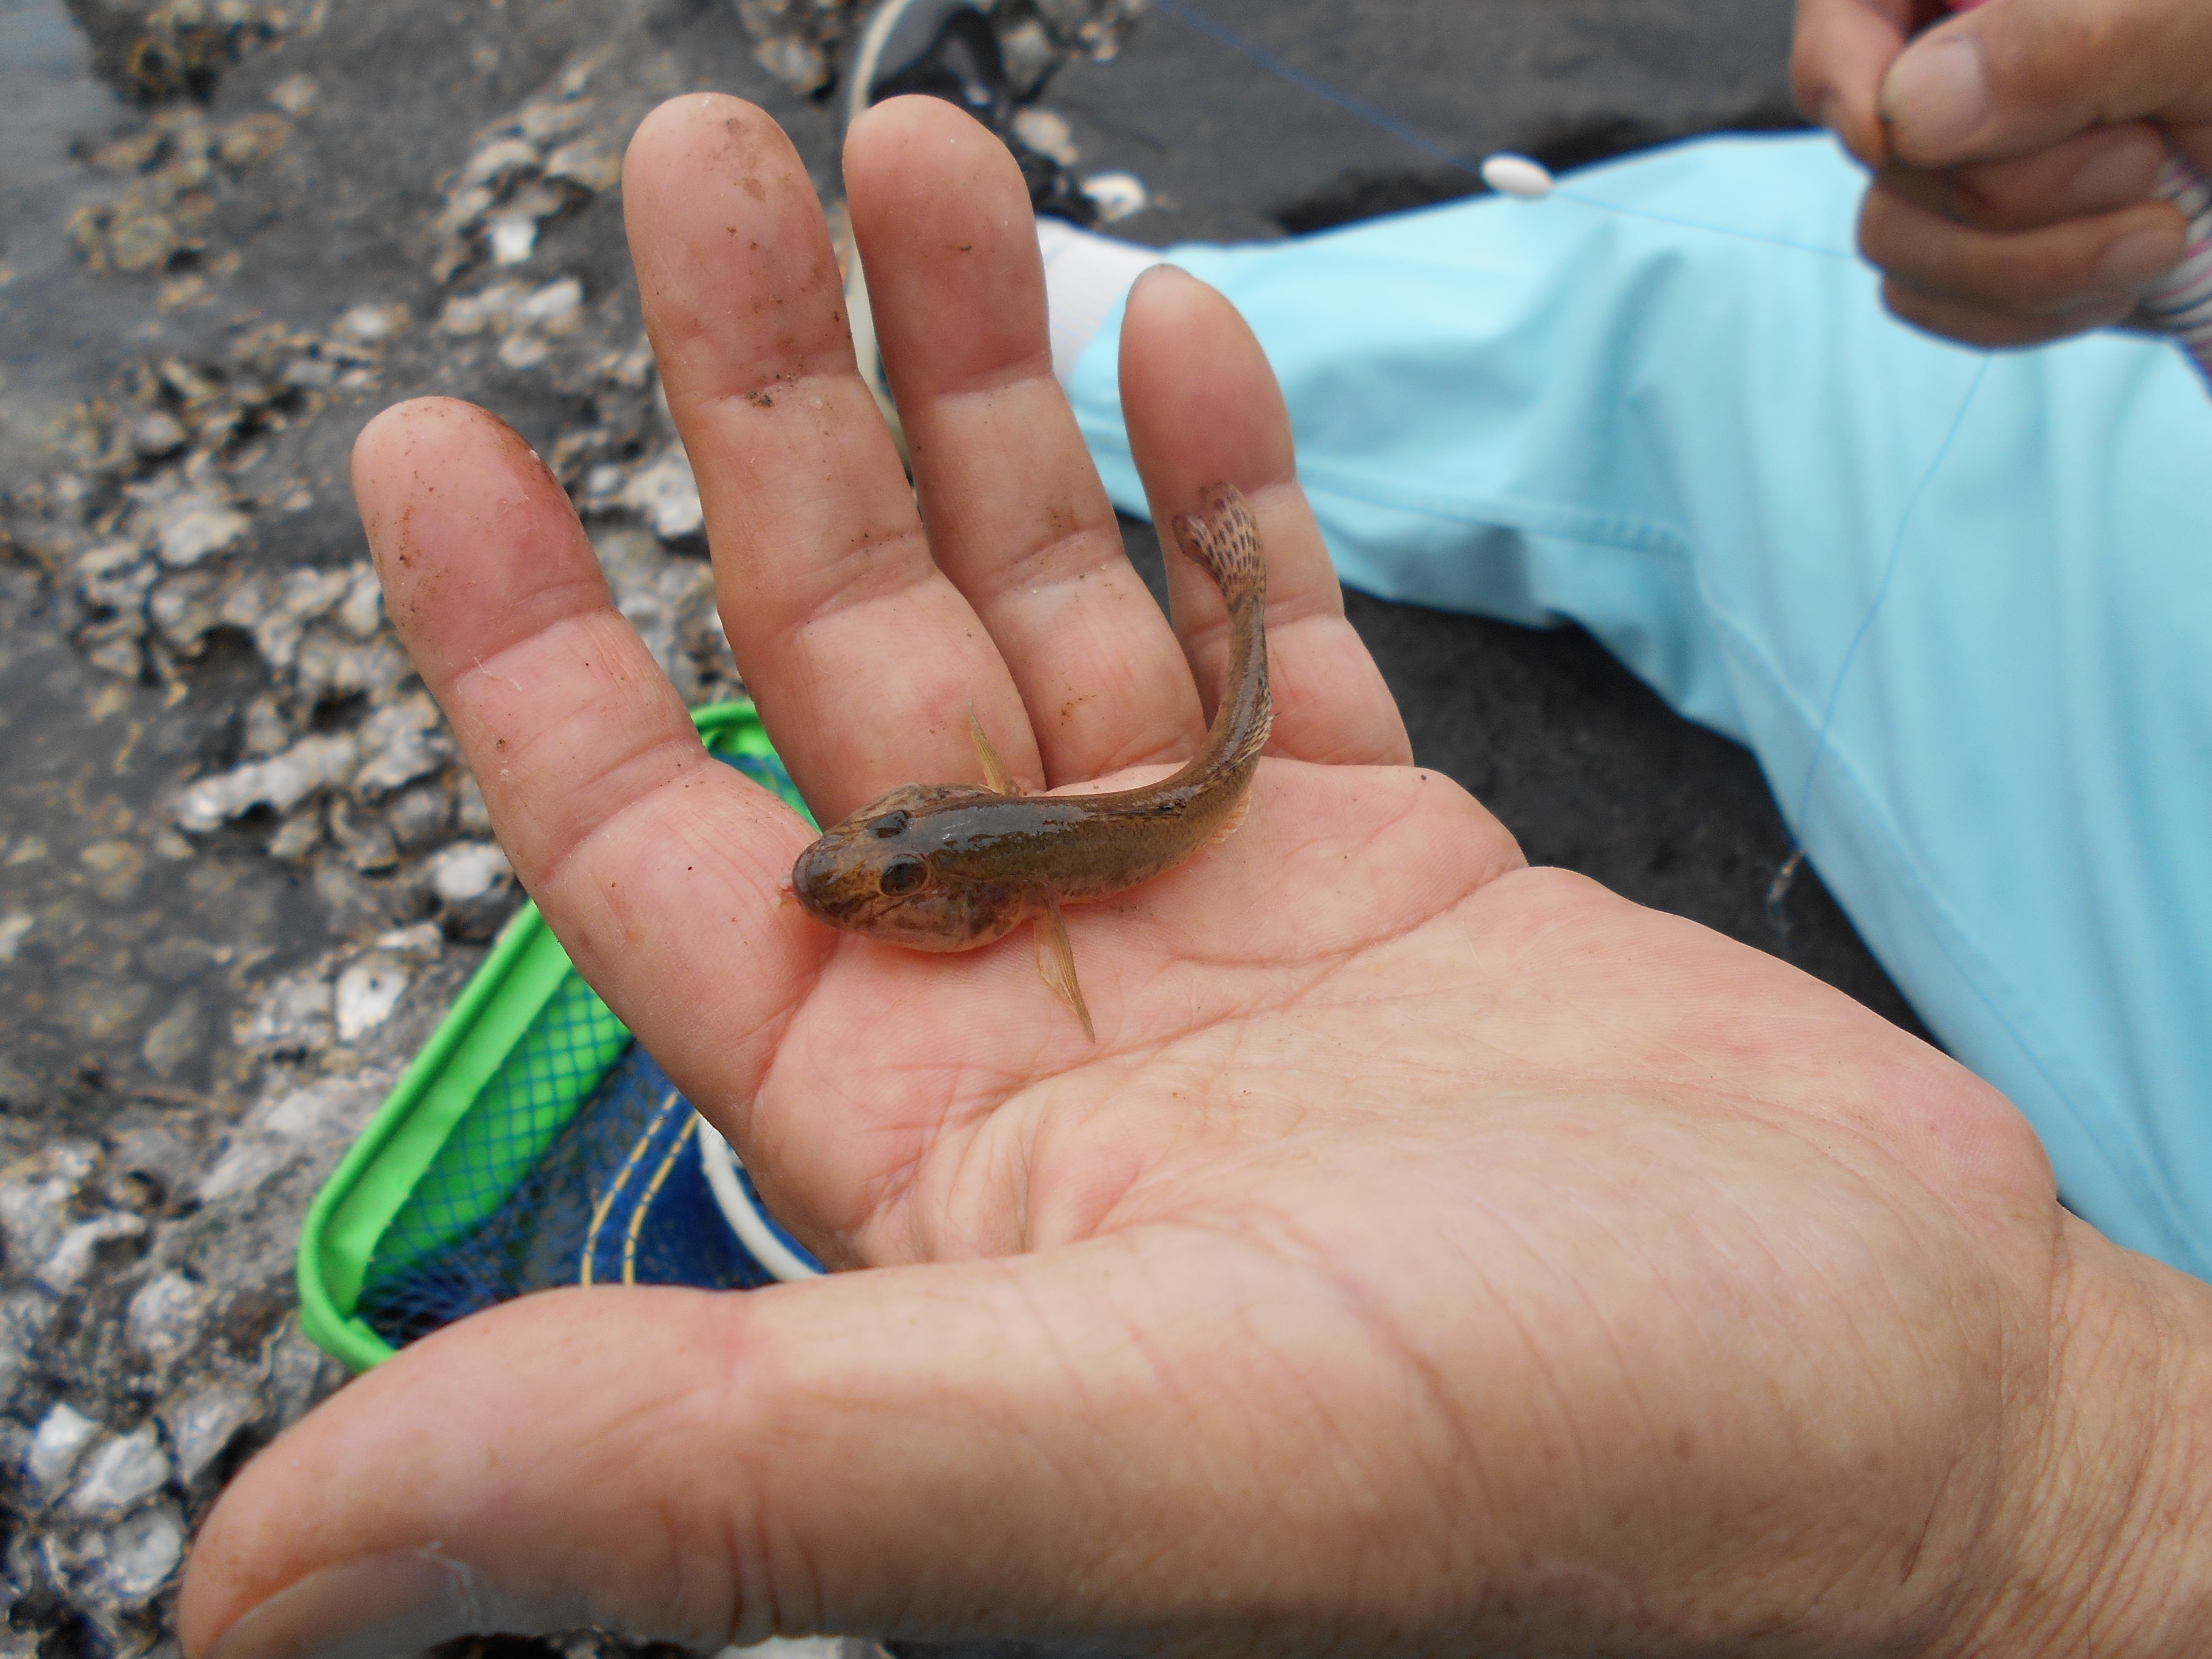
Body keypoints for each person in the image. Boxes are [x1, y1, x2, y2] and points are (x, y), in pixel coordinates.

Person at [178, 2, 2212, 1656]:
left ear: (940, 889)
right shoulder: (946, 866)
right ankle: (1069, 294)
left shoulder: (990, 884)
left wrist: (2071, 1486)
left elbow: (988, 890)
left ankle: (1077, 289)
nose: (868, 892)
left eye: (882, 884)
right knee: (1722, 314)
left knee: (1709, 344)